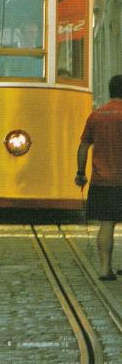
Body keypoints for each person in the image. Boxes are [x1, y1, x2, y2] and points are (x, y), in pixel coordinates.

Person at [75, 74, 122, 281]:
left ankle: (104, 269)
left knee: (106, 223)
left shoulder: (96, 115)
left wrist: (80, 173)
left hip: (102, 181)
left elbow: (84, 146)